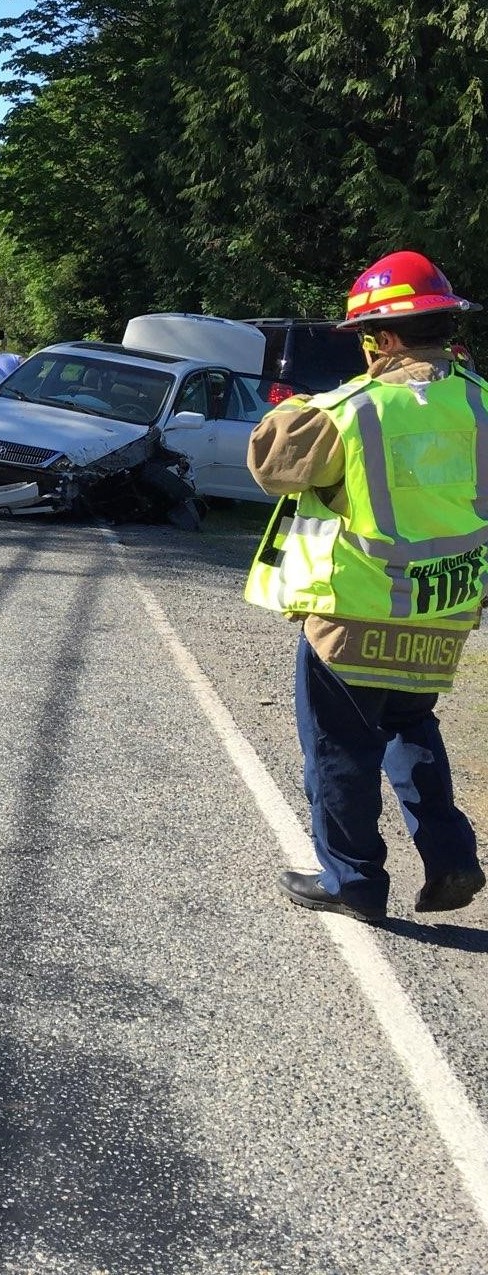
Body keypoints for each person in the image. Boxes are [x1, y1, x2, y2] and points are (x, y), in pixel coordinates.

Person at [244, 249, 488, 920]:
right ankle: (451, 857)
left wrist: (305, 404)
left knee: (341, 748)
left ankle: (352, 881)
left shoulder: (351, 409)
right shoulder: (480, 401)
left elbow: (270, 464)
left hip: (354, 613)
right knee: (411, 727)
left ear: (381, 338)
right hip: (442, 609)